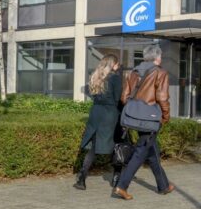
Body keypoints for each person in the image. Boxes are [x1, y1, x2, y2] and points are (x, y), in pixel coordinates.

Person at [113, 45, 176, 200]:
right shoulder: (160, 73)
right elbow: (162, 98)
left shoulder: (133, 72)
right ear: (157, 57)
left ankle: (163, 185)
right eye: (160, 56)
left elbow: (124, 97)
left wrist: (136, 109)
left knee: (151, 150)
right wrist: (166, 117)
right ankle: (122, 186)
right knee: (141, 152)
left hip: (135, 118)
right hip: (151, 119)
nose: (161, 58)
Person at [74, 55, 122, 190]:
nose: (118, 66)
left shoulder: (96, 77)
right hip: (110, 114)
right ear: (113, 65)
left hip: (96, 113)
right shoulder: (115, 78)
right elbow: (118, 98)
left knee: (93, 149)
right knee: (116, 146)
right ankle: (116, 178)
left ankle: (81, 179)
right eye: (117, 64)